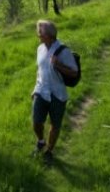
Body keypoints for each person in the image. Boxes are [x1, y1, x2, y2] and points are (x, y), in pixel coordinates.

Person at [31, 20, 78, 164]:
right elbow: (40, 70)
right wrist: (35, 89)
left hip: (57, 93)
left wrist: (58, 65)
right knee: (36, 121)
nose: (38, 35)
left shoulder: (64, 51)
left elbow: (74, 73)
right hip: (41, 90)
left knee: (55, 124)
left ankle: (49, 151)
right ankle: (40, 141)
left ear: (50, 35)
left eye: (41, 33)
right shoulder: (40, 48)